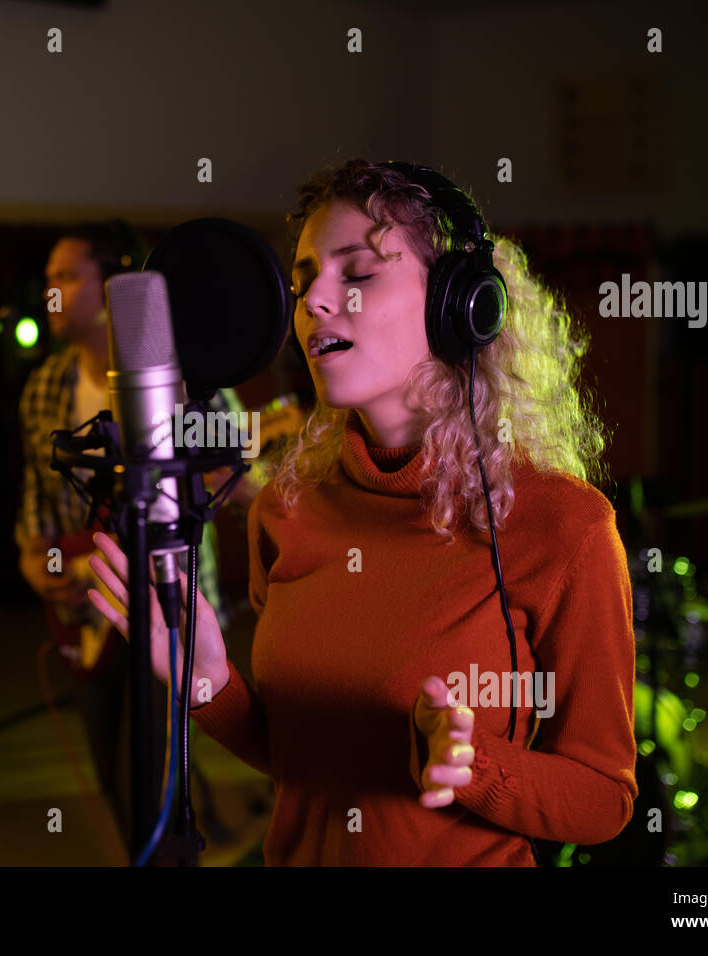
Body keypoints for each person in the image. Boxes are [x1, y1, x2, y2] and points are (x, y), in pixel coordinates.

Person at [84, 160, 637, 866]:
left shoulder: (564, 526)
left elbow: (603, 799)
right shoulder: (286, 509)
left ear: (459, 303)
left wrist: (474, 769)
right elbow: (304, 763)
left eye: (357, 273)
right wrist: (209, 682)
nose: (312, 300)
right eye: (305, 277)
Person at [14, 220, 257, 853]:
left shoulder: (194, 381)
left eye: (67, 277)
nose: (53, 292)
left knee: (152, 785)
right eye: (48, 281)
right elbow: (39, 500)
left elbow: (236, 478)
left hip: (169, 610)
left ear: (114, 283)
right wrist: (36, 563)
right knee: (115, 787)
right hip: (87, 616)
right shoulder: (45, 386)